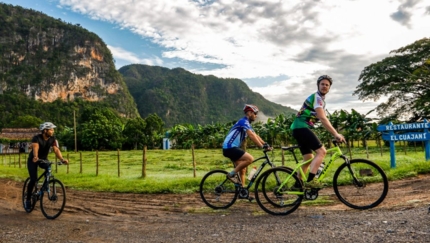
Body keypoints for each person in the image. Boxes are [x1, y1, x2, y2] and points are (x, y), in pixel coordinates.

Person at [290, 75, 346, 188]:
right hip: (301, 127)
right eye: (322, 84)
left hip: (298, 128)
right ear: (318, 85)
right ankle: (311, 182)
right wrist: (335, 133)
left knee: (308, 158)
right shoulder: (317, 98)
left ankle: (297, 184)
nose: (324, 86)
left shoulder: (320, 100)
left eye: (327, 85)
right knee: (322, 152)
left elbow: (322, 118)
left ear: (329, 88)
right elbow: (323, 118)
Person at [222, 104, 272, 197]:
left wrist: (265, 144)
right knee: (249, 159)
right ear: (249, 113)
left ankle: (242, 192)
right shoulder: (243, 121)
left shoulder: (247, 123)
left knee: (242, 169)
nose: (256, 115)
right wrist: (261, 147)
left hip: (232, 148)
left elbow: (255, 135)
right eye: (254, 113)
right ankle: (231, 175)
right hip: (229, 147)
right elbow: (251, 135)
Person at [24, 122, 69, 210]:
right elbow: (35, 148)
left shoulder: (53, 139)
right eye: (51, 130)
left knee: (48, 168)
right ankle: (28, 200)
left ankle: (44, 186)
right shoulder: (36, 138)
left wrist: (62, 159)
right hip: (33, 160)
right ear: (45, 130)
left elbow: (56, 150)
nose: (53, 131)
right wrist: (36, 157)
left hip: (43, 159)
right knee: (33, 179)